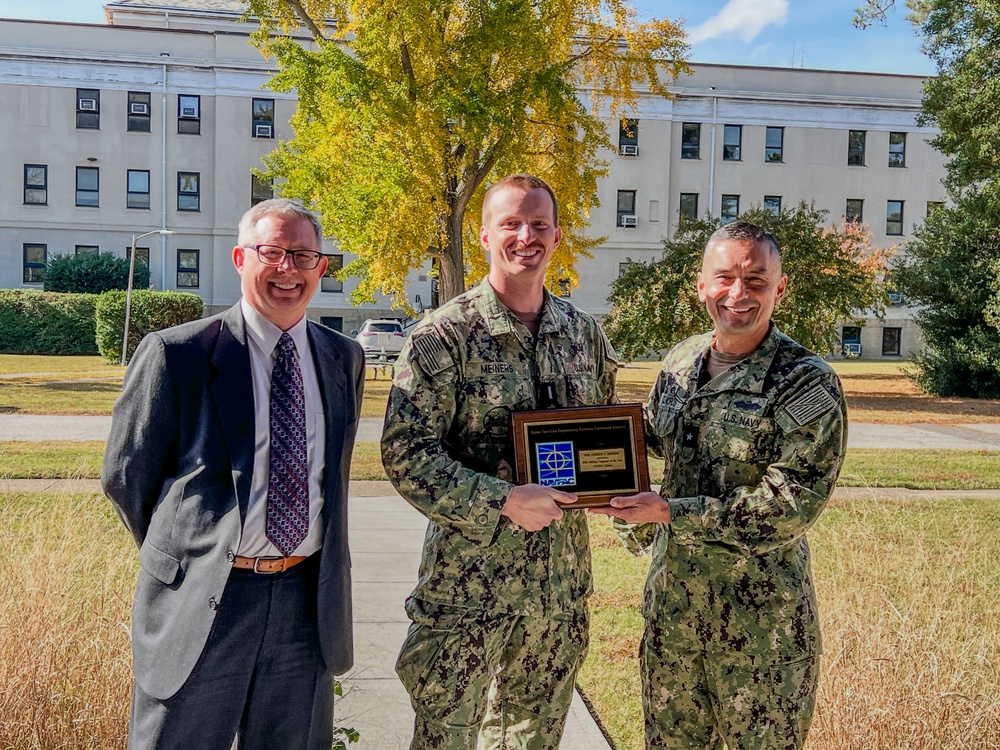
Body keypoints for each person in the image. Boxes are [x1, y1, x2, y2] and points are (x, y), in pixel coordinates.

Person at [102, 198, 365, 750]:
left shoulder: (343, 358)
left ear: (321, 266)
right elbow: (127, 476)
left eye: (303, 255)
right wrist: (195, 550)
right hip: (205, 603)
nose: (288, 269)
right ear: (241, 257)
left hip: (305, 603)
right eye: (273, 252)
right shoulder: (177, 355)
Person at [381, 173, 618, 750]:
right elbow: (406, 453)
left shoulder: (584, 335)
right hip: (468, 590)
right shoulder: (444, 336)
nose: (525, 236)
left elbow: (605, 434)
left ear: (557, 236)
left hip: (557, 594)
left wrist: (618, 487)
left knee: (533, 739)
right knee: (446, 740)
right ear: (485, 235)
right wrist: (503, 500)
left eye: (539, 224)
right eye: (510, 223)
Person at [592, 220, 847, 750]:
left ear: (780, 289)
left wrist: (671, 513)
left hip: (761, 630)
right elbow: (657, 440)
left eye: (756, 280)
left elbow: (793, 502)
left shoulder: (804, 381)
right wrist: (583, 448)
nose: (738, 293)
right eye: (725, 277)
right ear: (701, 284)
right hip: (673, 617)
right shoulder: (681, 362)